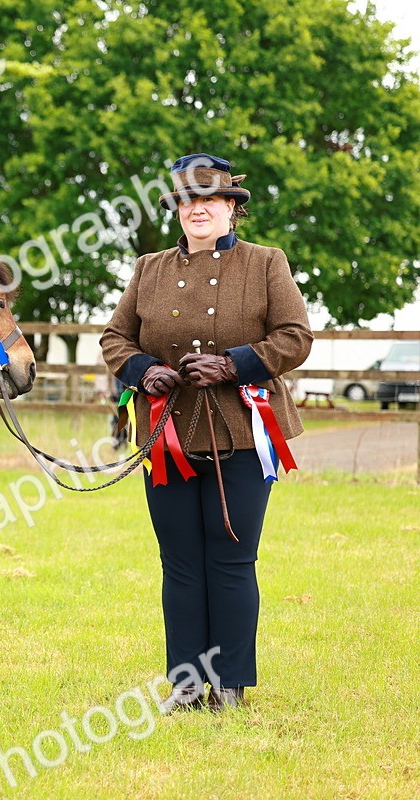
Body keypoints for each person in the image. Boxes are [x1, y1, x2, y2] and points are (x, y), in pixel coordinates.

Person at [101, 154, 313, 711]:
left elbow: (295, 337)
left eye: (210, 201)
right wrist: (143, 370)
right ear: (177, 210)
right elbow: (114, 339)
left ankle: (231, 683)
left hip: (242, 433)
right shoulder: (147, 268)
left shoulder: (267, 263)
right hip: (168, 437)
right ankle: (187, 682)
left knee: (232, 558)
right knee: (180, 563)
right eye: (187, 202)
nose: (198, 209)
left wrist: (235, 365)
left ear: (230, 210)